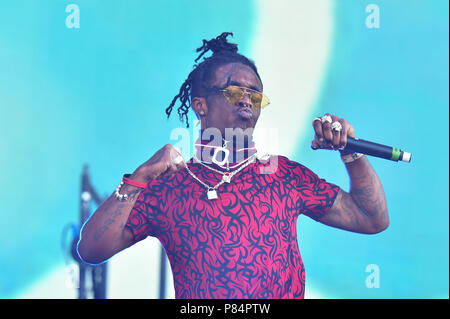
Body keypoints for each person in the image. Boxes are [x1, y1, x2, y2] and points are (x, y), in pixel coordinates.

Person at [77, 32, 389, 299]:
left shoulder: (285, 176)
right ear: (200, 105)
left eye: (256, 95)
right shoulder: (168, 187)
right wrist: (139, 177)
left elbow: (371, 219)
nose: (247, 100)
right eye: (235, 91)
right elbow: (91, 250)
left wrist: (351, 153)